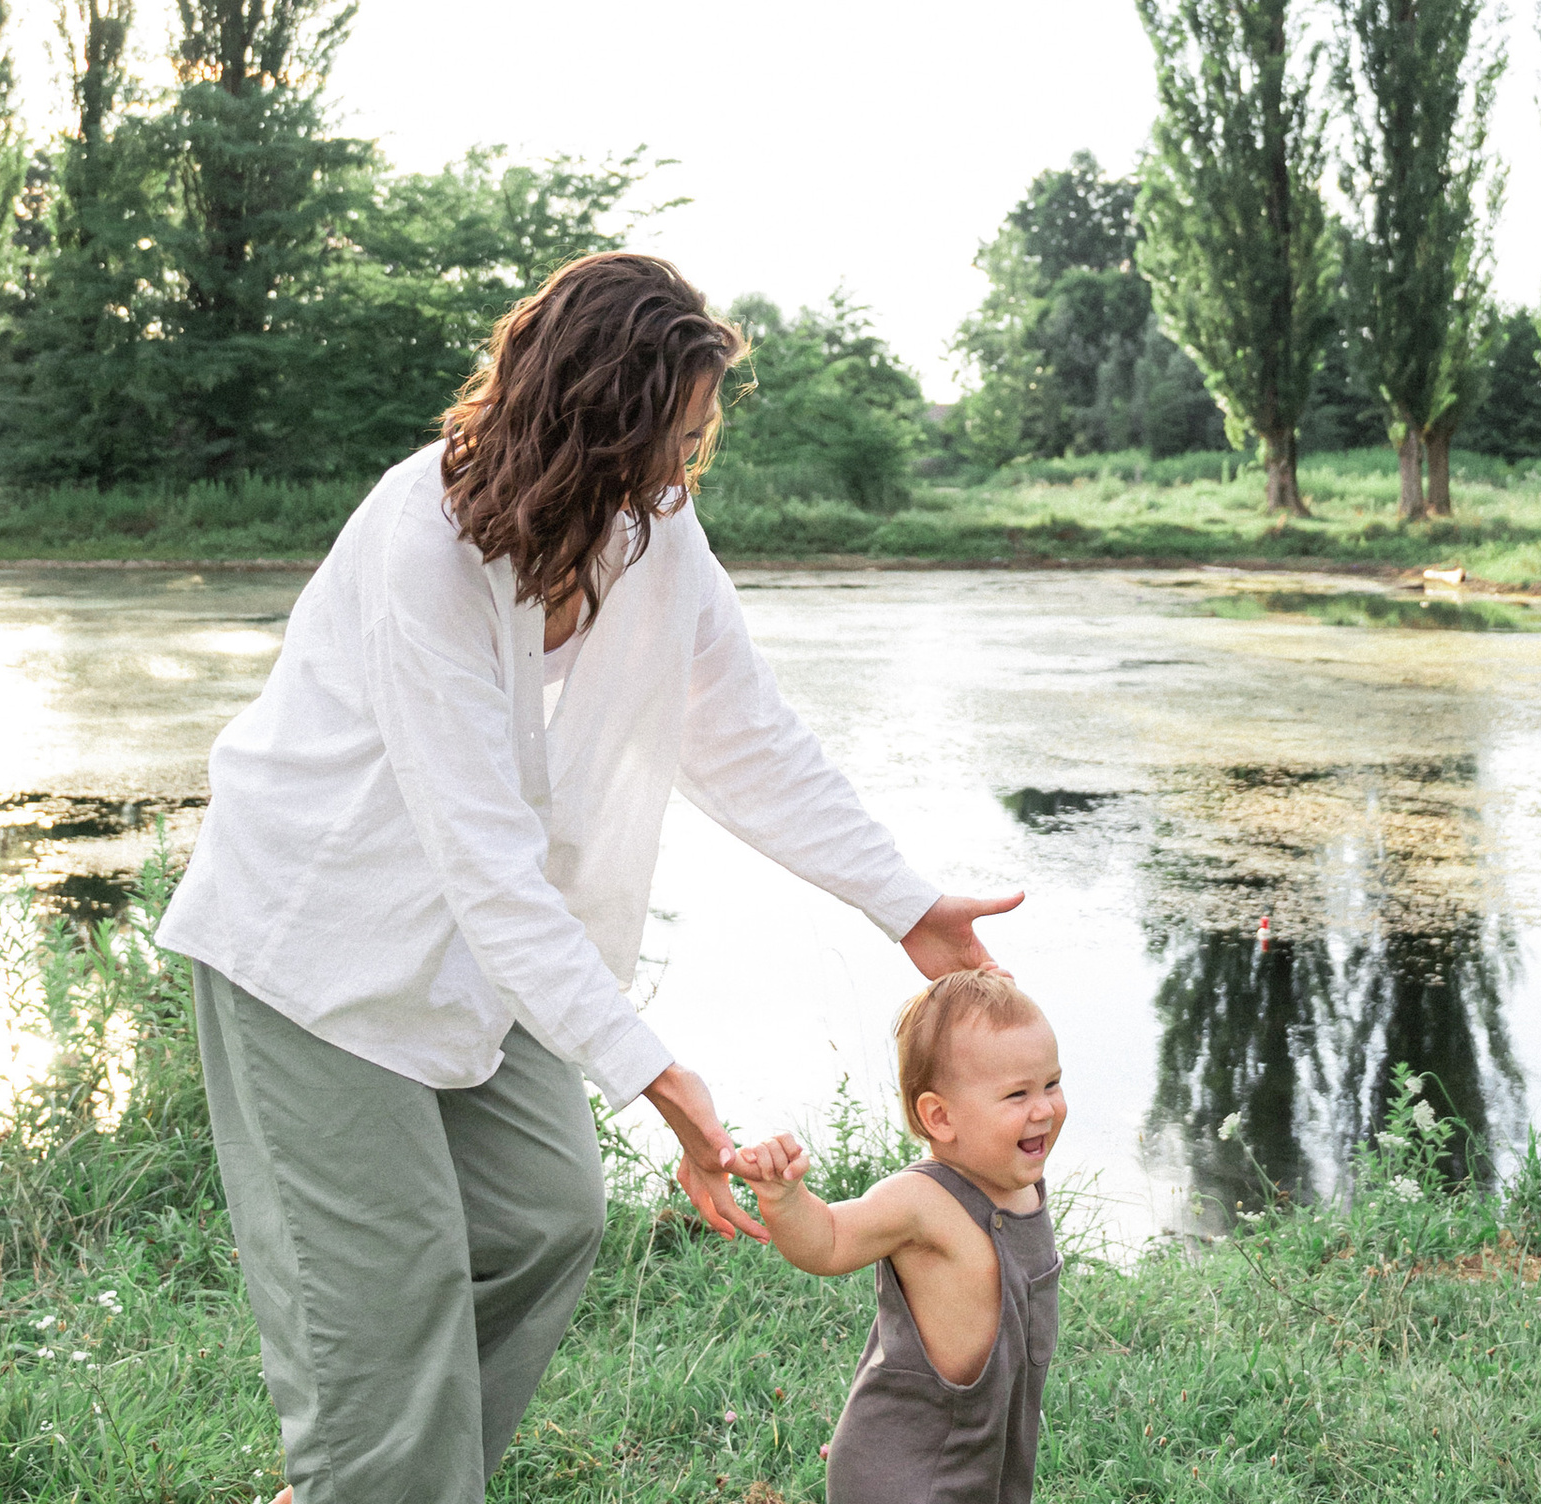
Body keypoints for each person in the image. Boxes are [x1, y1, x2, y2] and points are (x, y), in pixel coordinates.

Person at [153, 250, 1020, 1504]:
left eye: (697, 437)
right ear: (591, 417)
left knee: (544, 1219)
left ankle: (384, 1476)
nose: (684, 465)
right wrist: (658, 1078)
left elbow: (745, 730)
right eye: (671, 435)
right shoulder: (423, 541)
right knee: (388, 1315)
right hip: (316, 955)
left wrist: (903, 900)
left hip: (480, 962)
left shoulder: (648, 530)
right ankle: (380, 1475)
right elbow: (488, 867)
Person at [737, 969, 1067, 1504]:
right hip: (903, 1472)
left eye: (1052, 1083)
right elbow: (828, 1241)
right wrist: (785, 1199)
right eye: (1016, 1094)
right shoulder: (920, 1201)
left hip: (989, 1460)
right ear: (940, 1116)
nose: (1045, 1108)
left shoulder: (1021, 1189)